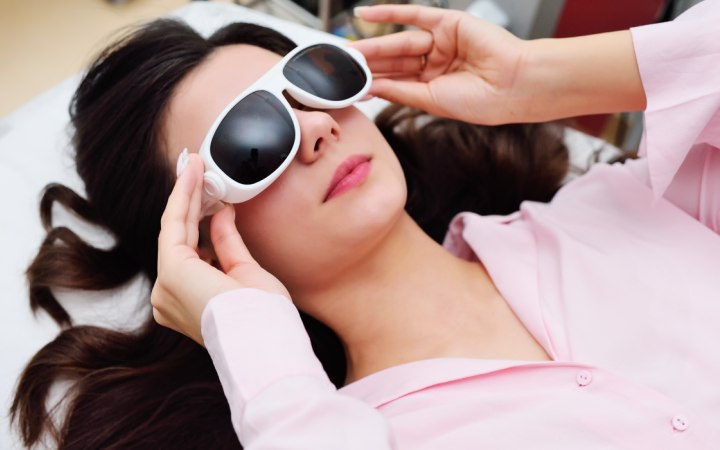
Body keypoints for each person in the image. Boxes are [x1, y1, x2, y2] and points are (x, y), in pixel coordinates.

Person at [12, 2, 720, 450]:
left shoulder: (623, 206)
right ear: (197, 242)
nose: (317, 128)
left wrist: (544, 76)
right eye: (254, 140)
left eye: (312, 82)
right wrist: (252, 345)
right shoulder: (344, 431)